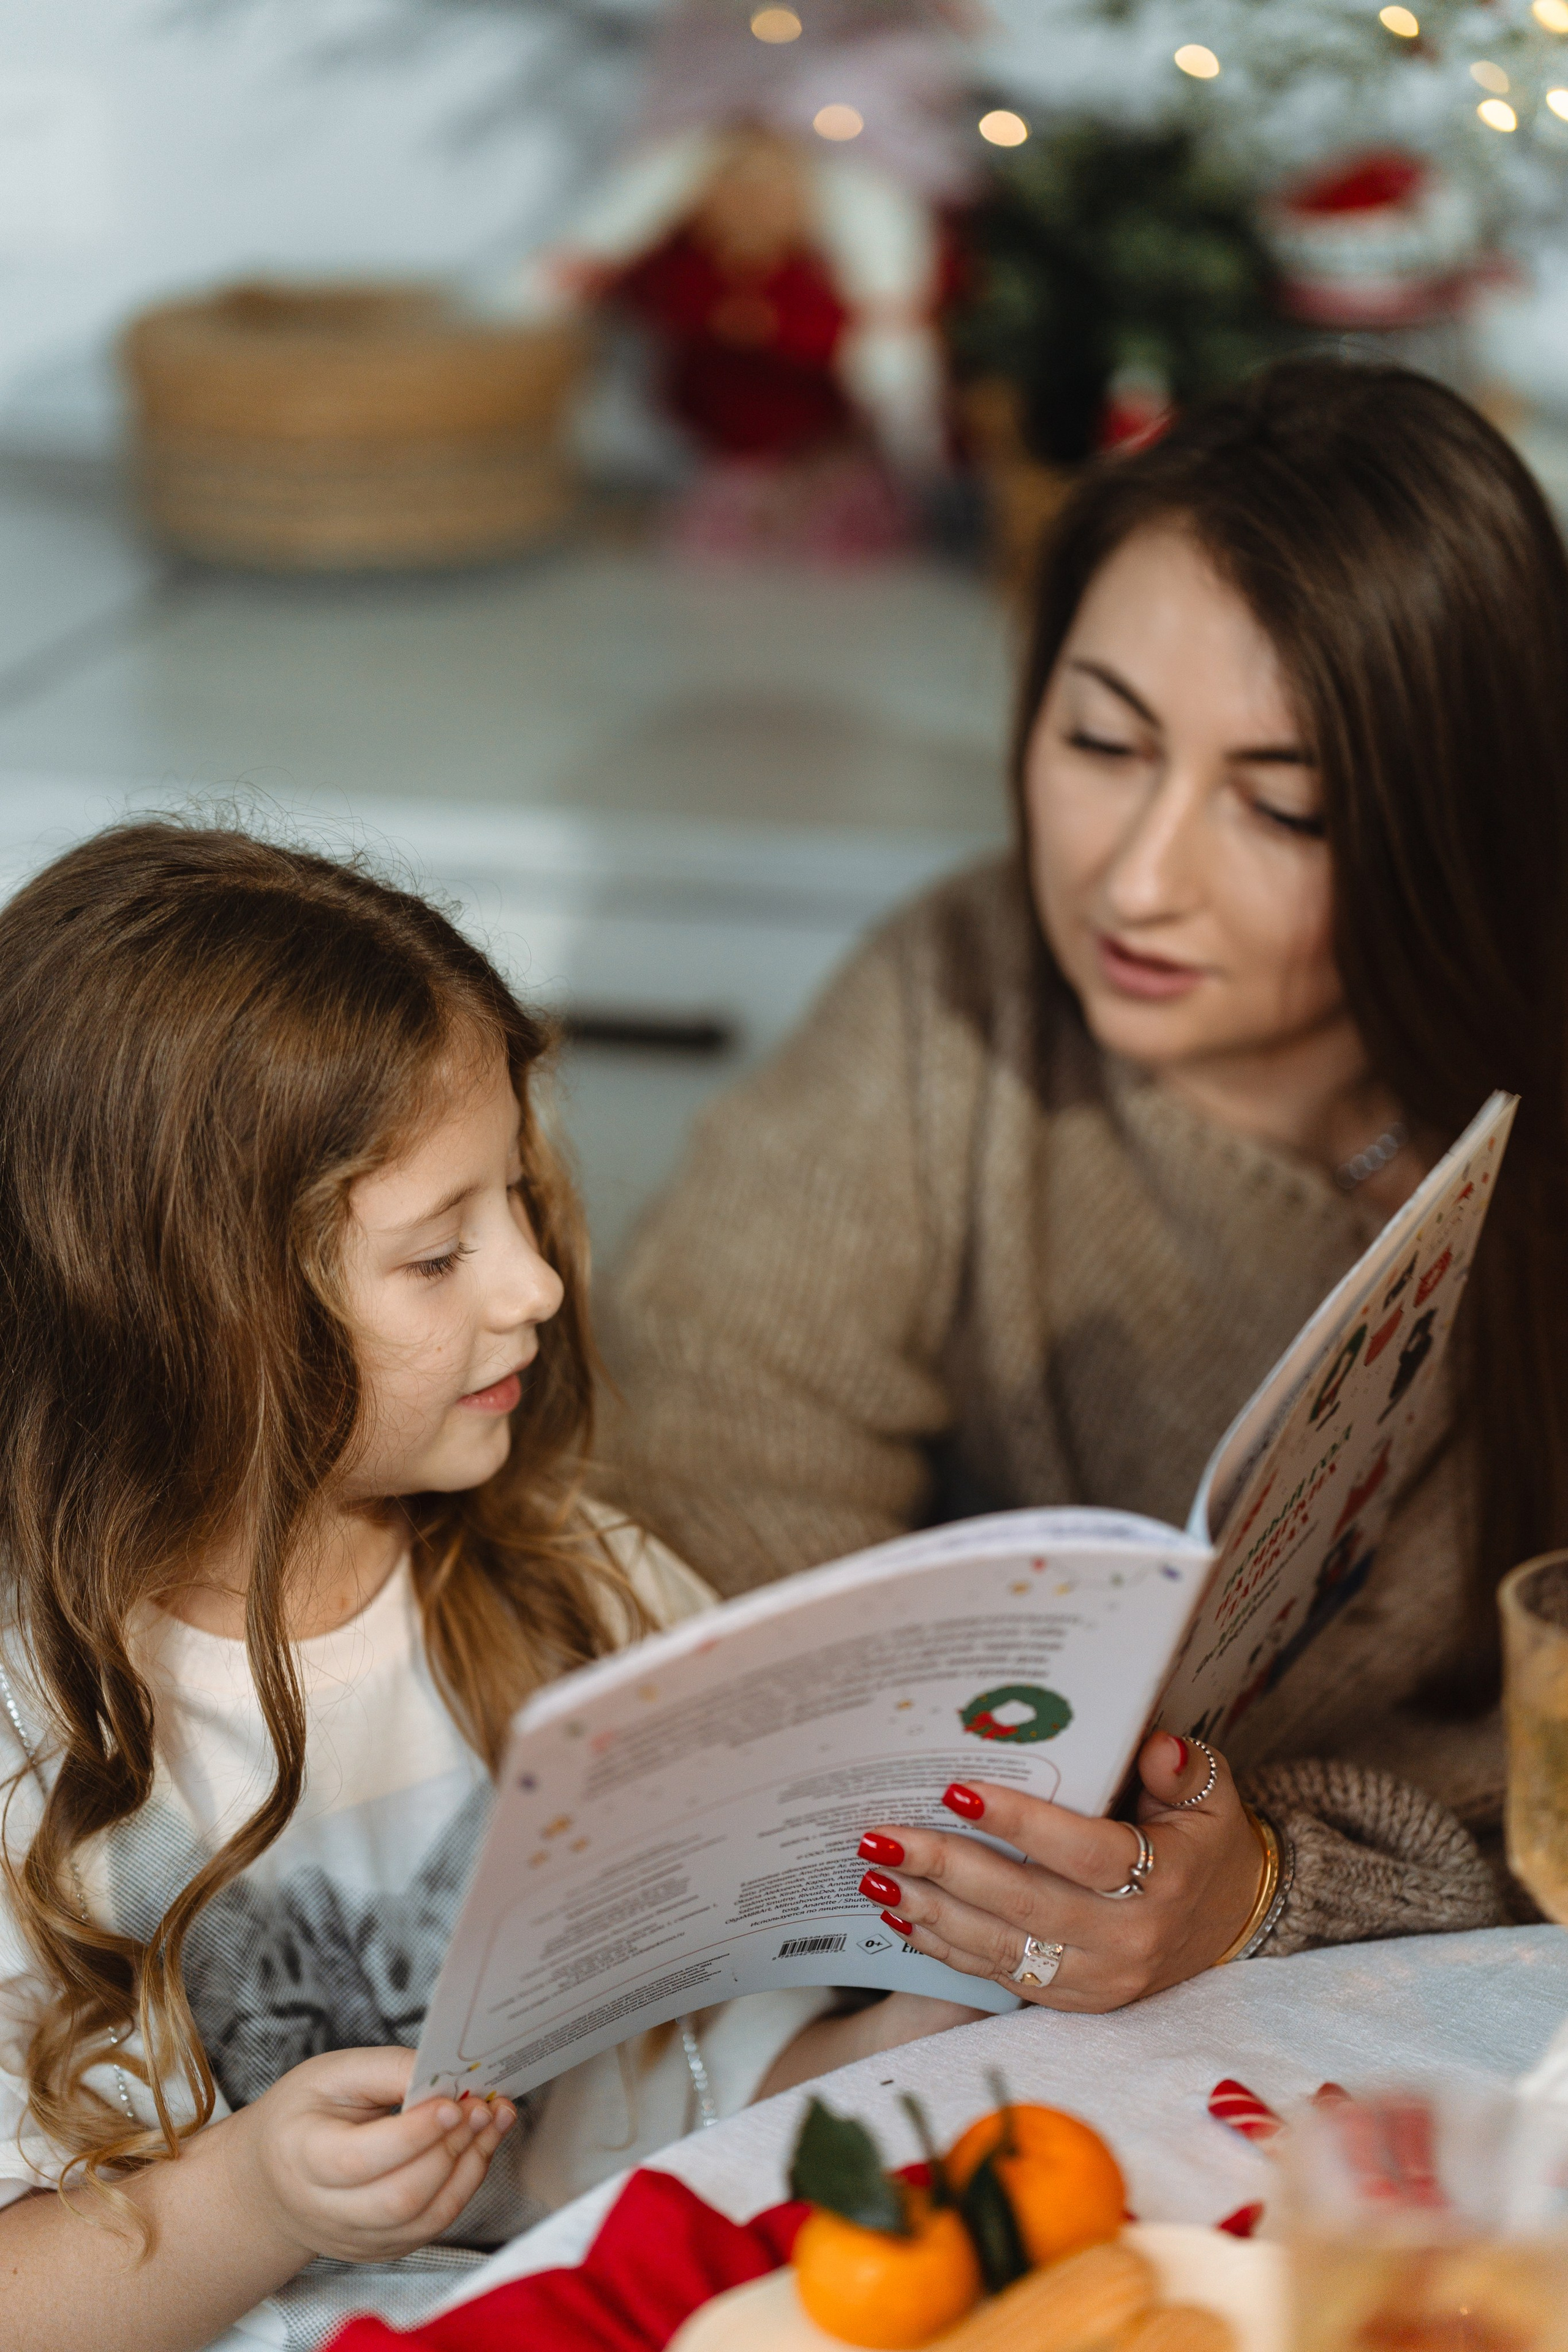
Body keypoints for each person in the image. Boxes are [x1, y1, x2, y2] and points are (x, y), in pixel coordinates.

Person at [604, 358, 1568, 2007]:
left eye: (1282, 805)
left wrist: (1271, 1880)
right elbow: (697, 1470)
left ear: (1449, 819)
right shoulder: (959, 997)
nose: (1137, 878)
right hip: (981, 1974)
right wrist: (1009, 1832)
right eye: (1101, 741)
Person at [0, 824, 976, 2352]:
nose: (534, 1285)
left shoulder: (588, 1592)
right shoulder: (23, 1726)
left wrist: (928, 2010)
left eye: (517, 1204)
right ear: (192, 1315)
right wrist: (255, 2202)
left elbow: (718, 2106)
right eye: (438, 1253)